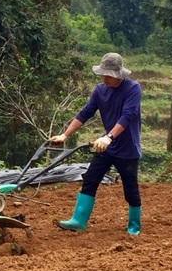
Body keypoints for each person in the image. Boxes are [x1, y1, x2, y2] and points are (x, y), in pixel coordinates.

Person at [49, 52, 142, 235]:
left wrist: (109, 137)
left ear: (118, 75)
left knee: (130, 188)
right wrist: (65, 135)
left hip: (127, 148)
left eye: (108, 75)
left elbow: (128, 115)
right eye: (103, 74)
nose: (104, 78)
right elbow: (86, 113)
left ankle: (134, 225)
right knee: (90, 179)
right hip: (106, 146)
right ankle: (78, 221)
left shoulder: (133, 88)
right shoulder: (100, 90)